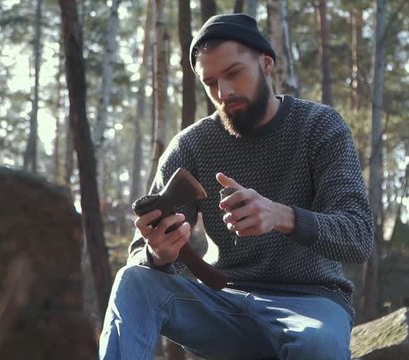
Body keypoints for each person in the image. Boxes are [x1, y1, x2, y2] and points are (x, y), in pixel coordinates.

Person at [99, 13, 373, 360]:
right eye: (210, 82)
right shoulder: (190, 147)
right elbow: (142, 250)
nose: (223, 92)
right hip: (222, 306)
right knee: (133, 281)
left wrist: (281, 216)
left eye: (233, 73)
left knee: (317, 345)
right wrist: (158, 254)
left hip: (310, 304)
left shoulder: (319, 127)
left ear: (266, 63)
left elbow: (359, 236)